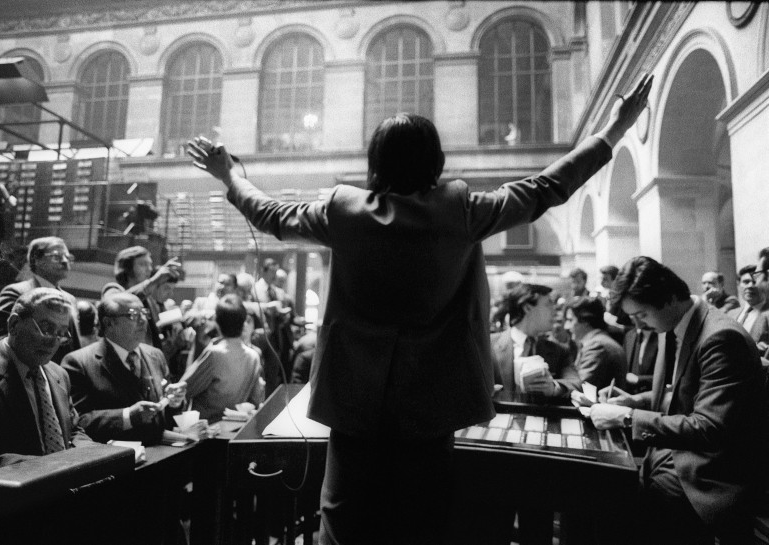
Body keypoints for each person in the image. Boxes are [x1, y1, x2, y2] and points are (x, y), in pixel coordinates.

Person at [188, 74, 653, 545]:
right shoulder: (461, 209)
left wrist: (230, 174)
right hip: (433, 407)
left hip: (354, 406)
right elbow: (547, 187)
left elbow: (270, 214)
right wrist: (612, 130)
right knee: (422, 526)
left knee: (345, 524)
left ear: (375, 160)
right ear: (435, 160)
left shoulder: (342, 210)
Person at [590, 256, 768, 544]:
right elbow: (681, 395)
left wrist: (626, 418)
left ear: (670, 298)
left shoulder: (720, 337)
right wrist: (633, 402)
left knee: (619, 509)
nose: (638, 325)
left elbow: (709, 428)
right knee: (605, 492)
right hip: (675, 456)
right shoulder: (673, 323)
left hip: (712, 475)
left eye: (641, 315)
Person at [490, 283, 579, 545]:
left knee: (537, 532)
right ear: (528, 306)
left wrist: (555, 388)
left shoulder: (558, 351)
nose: (556, 311)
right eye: (549, 304)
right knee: (492, 528)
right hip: (496, 456)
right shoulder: (489, 343)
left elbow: (576, 383)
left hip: (540, 458)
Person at [0, 288, 94, 475]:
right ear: (14, 325)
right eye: (46, 328)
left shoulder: (59, 374)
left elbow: (73, 431)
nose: (54, 341)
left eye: (62, 332)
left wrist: (93, 454)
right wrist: (47, 468)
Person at [61, 293, 186, 445]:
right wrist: (128, 416)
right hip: (118, 462)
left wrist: (174, 402)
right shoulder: (78, 363)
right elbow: (77, 422)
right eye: (133, 315)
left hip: (161, 457)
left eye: (144, 313)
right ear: (108, 323)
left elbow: (166, 416)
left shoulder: (155, 355)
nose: (143, 320)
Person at [0, 237, 81, 363]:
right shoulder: (16, 293)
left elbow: (73, 349)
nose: (65, 261)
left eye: (68, 257)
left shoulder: (70, 299)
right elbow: (0, 344)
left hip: (59, 379)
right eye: (57, 256)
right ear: (36, 260)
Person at [181, 295, 264, 421]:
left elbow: (184, 388)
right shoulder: (253, 356)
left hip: (208, 430)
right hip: (235, 428)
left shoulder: (214, 354)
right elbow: (256, 399)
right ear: (243, 322)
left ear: (217, 322)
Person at [101, 246, 181, 347]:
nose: (149, 269)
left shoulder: (148, 299)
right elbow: (120, 303)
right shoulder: (113, 290)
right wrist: (154, 280)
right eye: (142, 264)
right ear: (128, 268)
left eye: (150, 264)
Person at [564, 296, 627, 390]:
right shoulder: (599, 342)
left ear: (585, 320)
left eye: (570, 320)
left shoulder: (597, 346)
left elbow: (580, 387)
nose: (566, 326)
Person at [726, 264, 769, 353]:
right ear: (739, 285)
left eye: (754, 282)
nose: (750, 286)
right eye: (746, 282)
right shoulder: (730, 314)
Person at [622, 325, 657, 394]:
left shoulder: (663, 338)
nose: (632, 317)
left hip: (651, 396)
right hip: (627, 394)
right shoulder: (629, 335)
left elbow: (668, 377)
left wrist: (639, 379)